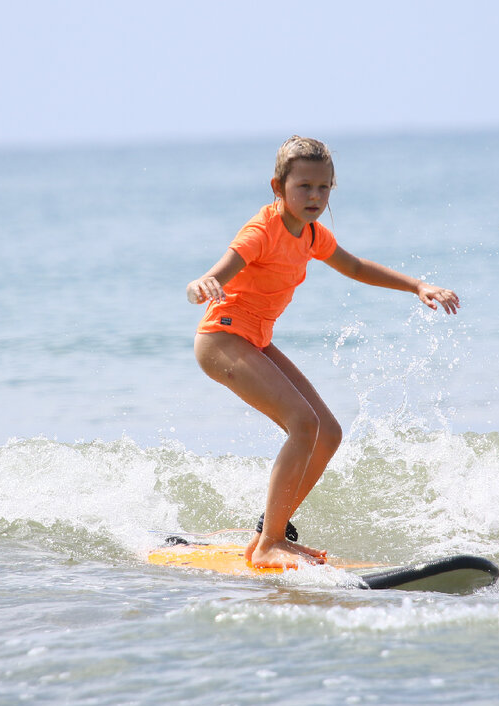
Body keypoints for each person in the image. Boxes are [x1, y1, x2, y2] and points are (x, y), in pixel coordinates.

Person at [186, 136, 460, 569]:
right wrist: (201, 284)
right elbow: (219, 270)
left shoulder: (311, 233)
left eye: (323, 188)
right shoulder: (262, 231)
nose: (315, 196)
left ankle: (268, 531)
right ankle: (270, 543)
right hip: (221, 339)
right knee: (302, 423)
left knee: (327, 433)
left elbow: (354, 267)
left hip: (253, 339)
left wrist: (418, 286)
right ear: (278, 188)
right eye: (304, 187)